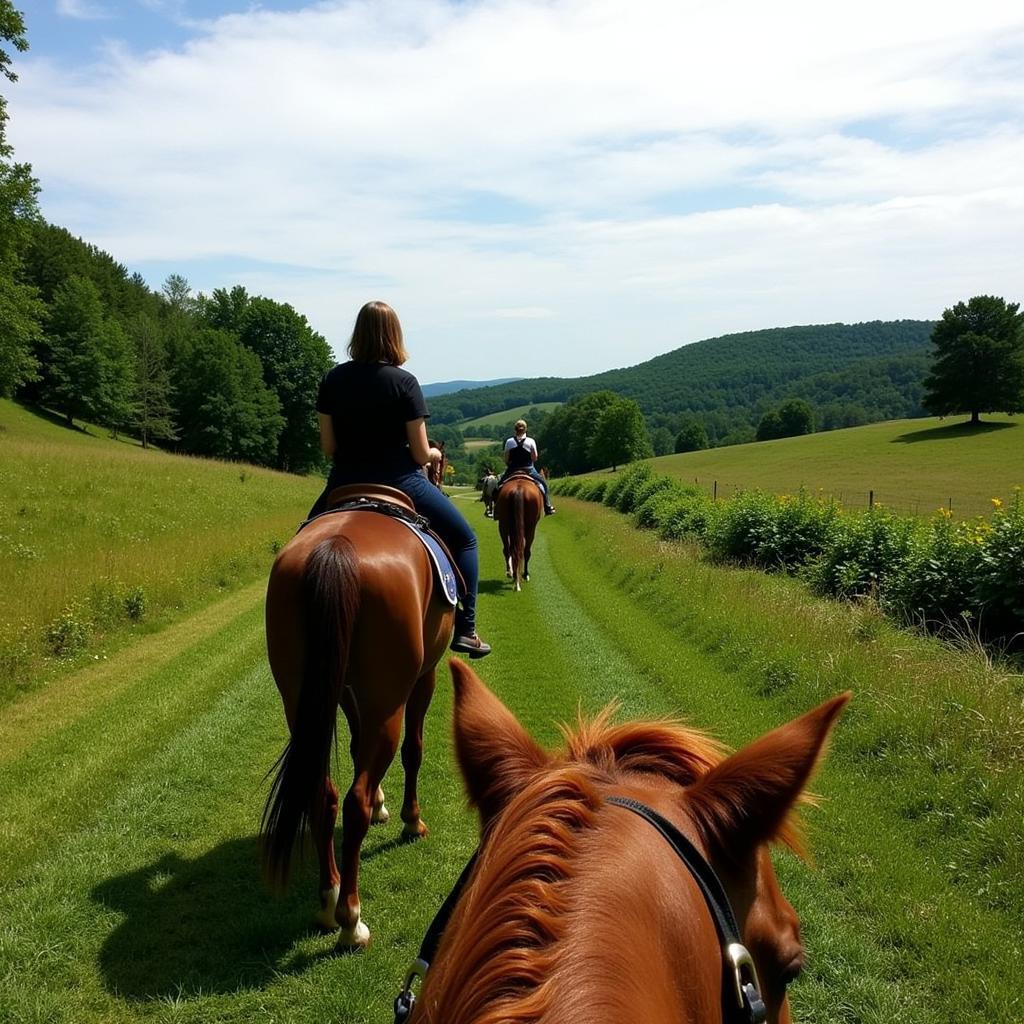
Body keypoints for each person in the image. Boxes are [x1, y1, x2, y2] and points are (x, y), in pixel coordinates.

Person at [308, 301, 490, 658]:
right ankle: (466, 630)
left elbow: (328, 446)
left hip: (343, 481)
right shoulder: (405, 383)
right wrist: (435, 455)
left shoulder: (332, 379)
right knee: (465, 539)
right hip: (401, 481)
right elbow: (422, 455)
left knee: (302, 537)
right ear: (394, 335)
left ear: (357, 333)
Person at [500, 419, 555, 515]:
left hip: (512, 469)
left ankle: (494, 510)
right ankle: (547, 506)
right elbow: (534, 458)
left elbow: (506, 459)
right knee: (543, 485)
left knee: (498, 486)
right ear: (525, 429)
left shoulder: (509, 442)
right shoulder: (531, 441)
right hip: (528, 469)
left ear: (515, 429)